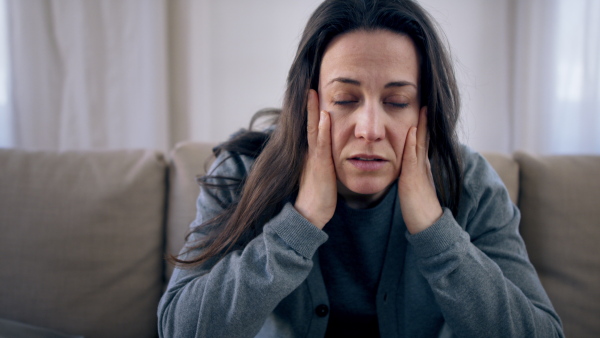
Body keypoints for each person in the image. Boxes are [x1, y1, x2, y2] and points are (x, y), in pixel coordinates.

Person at [158, 0, 564, 337]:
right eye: (346, 99)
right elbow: (178, 327)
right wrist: (299, 224)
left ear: (426, 111)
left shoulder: (470, 183)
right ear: (308, 102)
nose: (370, 129)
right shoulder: (244, 172)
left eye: (397, 101)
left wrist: (435, 230)